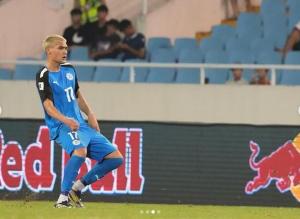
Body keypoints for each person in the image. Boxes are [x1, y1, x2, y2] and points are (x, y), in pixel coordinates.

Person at [36, 35, 123, 208]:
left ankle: (78, 187)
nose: (65, 51)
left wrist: (90, 114)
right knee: (80, 151)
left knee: (115, 158)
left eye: (66, 47)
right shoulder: (43, 75)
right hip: (61, 125)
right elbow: (48, 106)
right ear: (49, 51)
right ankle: (62, 199)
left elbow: (78, 96)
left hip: (80, 124)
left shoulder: (69, 69)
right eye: (60, 48)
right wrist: (66, 120)